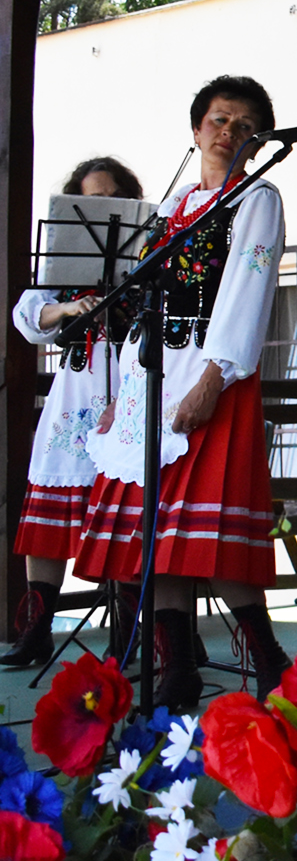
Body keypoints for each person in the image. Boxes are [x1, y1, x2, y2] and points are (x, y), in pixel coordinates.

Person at [78, 77, 290, 708]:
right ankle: (177, 666)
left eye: (244, 126)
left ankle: (270, 659)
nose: (229, 132)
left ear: (259, 142)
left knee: (205, 531)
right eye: (219, 120)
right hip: (152, 373)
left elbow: (248, 291)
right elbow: (142, 302)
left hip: (208, 373)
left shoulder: (256, 197)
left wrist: (213, 379)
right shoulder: (171, 207)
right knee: (156, 534)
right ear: (196, 130)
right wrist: (122, 389)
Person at [4, 157, 146, 667]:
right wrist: (66, 308)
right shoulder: (62, 267)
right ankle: (36, 631)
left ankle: (129, 631)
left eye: (111, 199)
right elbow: (27, 317)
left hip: (128, 394)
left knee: (123, 513)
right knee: (47, 517)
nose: (102, 209)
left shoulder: (143, 259)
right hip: (73, 399)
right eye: (91, 201)